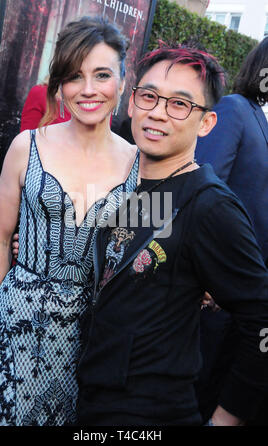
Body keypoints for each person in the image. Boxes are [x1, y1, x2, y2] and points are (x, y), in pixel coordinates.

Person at [76, 43, 268, 426]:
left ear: (206, 123)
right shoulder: (130, 187)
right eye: (149, 96)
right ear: (131, 103)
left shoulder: (210, 206)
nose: (158, 113)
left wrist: (226, 420)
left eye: (180, 104)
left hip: (150, 413)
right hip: (91, 401)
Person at [0, 16, 139, 426]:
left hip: (89, 343)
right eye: (74, 76)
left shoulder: (139, 165)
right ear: (60, 84)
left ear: (122, 79)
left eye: (102, 75)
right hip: (10, 328)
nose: (89, 90)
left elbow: (139, 252)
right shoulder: (26, 147)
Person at [194, 37, 268, 423]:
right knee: (201, 391)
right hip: (218, 289)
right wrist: (207, 270)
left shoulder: (262, 118)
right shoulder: (236, 109)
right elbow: (206, 185)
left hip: (248, 297)